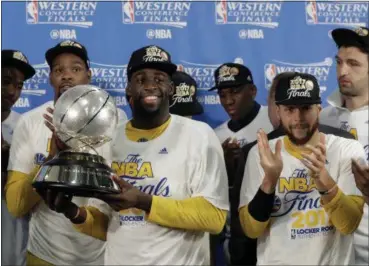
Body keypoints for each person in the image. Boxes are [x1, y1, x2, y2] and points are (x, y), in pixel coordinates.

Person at [41, 45, 229, 265]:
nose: (150, 86)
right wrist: (72, 211)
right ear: (128, 89)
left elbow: (214, 217)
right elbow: (106, 226)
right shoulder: (108, 138)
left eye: (159, 79)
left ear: (171, 88)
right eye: (140, 79)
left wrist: (144, 201)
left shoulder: (199, 135)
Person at [5, 40, 121, 265]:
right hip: (44, 254)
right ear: (50, 78)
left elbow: (119, 202)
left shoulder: (116, 123)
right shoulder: (30, 122)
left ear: (89, 75)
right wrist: (52, 160)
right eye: (58, 70)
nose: (66, 76)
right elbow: (16, 204)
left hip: (98, 256)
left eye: (75, 69)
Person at [239, 72, 366, 265]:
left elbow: (349, 225)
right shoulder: (261, 154)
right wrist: (270, 181)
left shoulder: (346, 148)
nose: (298, 117)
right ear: (278, 111)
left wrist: (324, 181)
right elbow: (251, 229)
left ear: (318, 109)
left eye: (306, 108)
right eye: (290, 109)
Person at [320, 26, 369, 265]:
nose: (342, 71)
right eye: (339, 62)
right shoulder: (321, 118)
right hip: (327, 248)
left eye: (353, 64)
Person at [2, 49, 35, 266]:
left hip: (14, 232)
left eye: (20, 85)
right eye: (6, 81)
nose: (13, 90)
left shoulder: (26, 125)